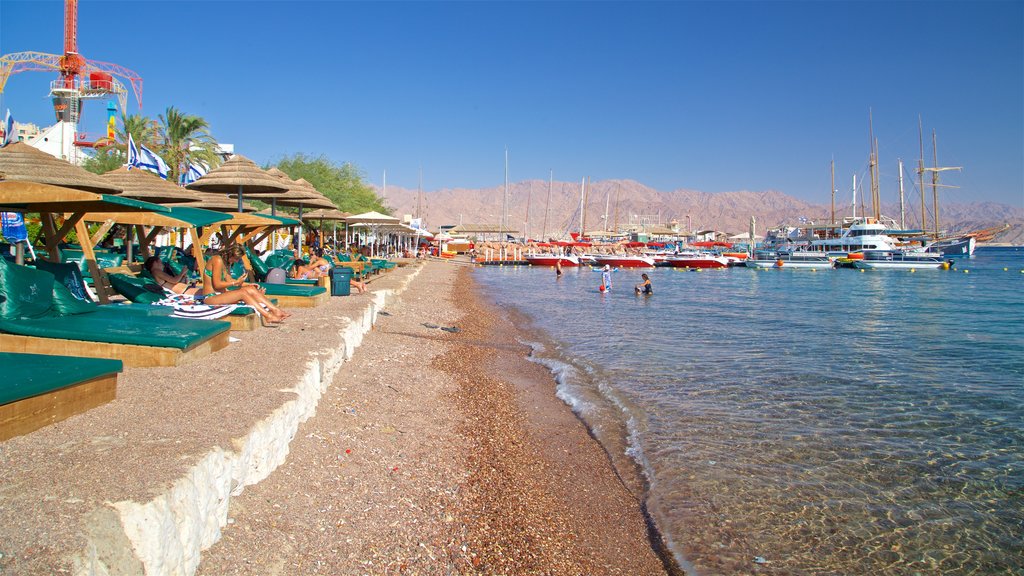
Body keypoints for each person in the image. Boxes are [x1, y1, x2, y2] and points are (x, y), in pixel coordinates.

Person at [204, 245, 289, 323]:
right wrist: (236, 282)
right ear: (231, 255)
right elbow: (217, 285)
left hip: (221, 294)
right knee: (242, 293)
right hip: (211, 297)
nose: (237, 261)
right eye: (237, 258)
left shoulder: (226, 263)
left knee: (251, 289)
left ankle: (275, 310)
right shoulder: (217, 260)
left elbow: (229, 281)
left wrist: (247, 284)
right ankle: (268, 316)